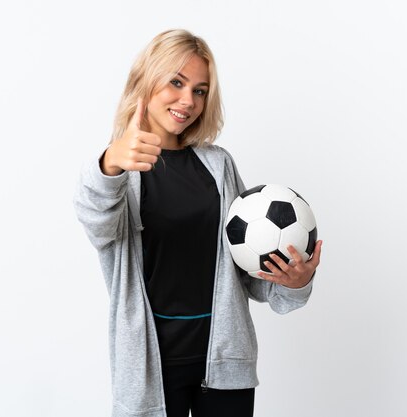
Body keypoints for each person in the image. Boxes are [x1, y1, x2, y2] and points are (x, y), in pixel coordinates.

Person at [75, 29, 323, 417]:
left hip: (223, 361)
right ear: (146, 81)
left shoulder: (217, 165)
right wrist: (110, 163)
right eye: (176, 82)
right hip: (148, 368)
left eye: (200, 90)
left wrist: (295, 282)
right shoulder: (120, 171)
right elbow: (97, 223)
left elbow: (247, 268)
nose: (188, 100)